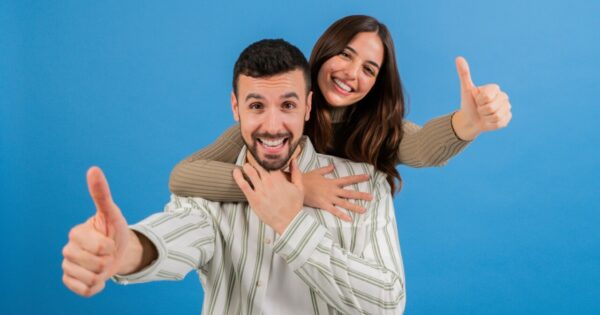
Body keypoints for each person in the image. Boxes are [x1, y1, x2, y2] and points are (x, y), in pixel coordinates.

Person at [62, 39, 405, 315]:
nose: (272, 126)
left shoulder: (363, 184)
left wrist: (291, 225)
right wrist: (128, 251)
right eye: (256, 105)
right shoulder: (212, 190)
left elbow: (388, 307)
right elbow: (177, 235)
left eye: (287, 105)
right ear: (235, 107)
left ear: (308, 107)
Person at [169, 15, 512, 221]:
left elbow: (421, 148)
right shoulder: (280, 124)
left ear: (377, 83)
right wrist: (296, 190)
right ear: (324, 50)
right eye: (345, 55)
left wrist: (469, 122)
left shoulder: (376, 131)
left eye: (368, 69)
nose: (351, 73)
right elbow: (184, 175)